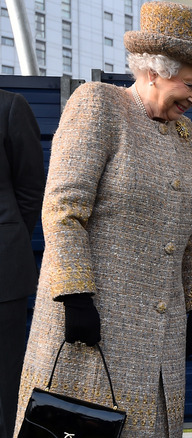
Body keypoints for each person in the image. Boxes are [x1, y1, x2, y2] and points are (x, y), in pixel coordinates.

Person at [13, 2, 192, 437]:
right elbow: (63, 209)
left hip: (163, 331)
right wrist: (75, 297)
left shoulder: (184, 134)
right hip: (93, 325)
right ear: (153, 71)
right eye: (190, 85)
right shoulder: (99, 104)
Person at [0, 89, 45, 438]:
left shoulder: (10, 107)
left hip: (2, 275)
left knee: (5, 381)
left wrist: (9, 239)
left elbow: (31, 190)